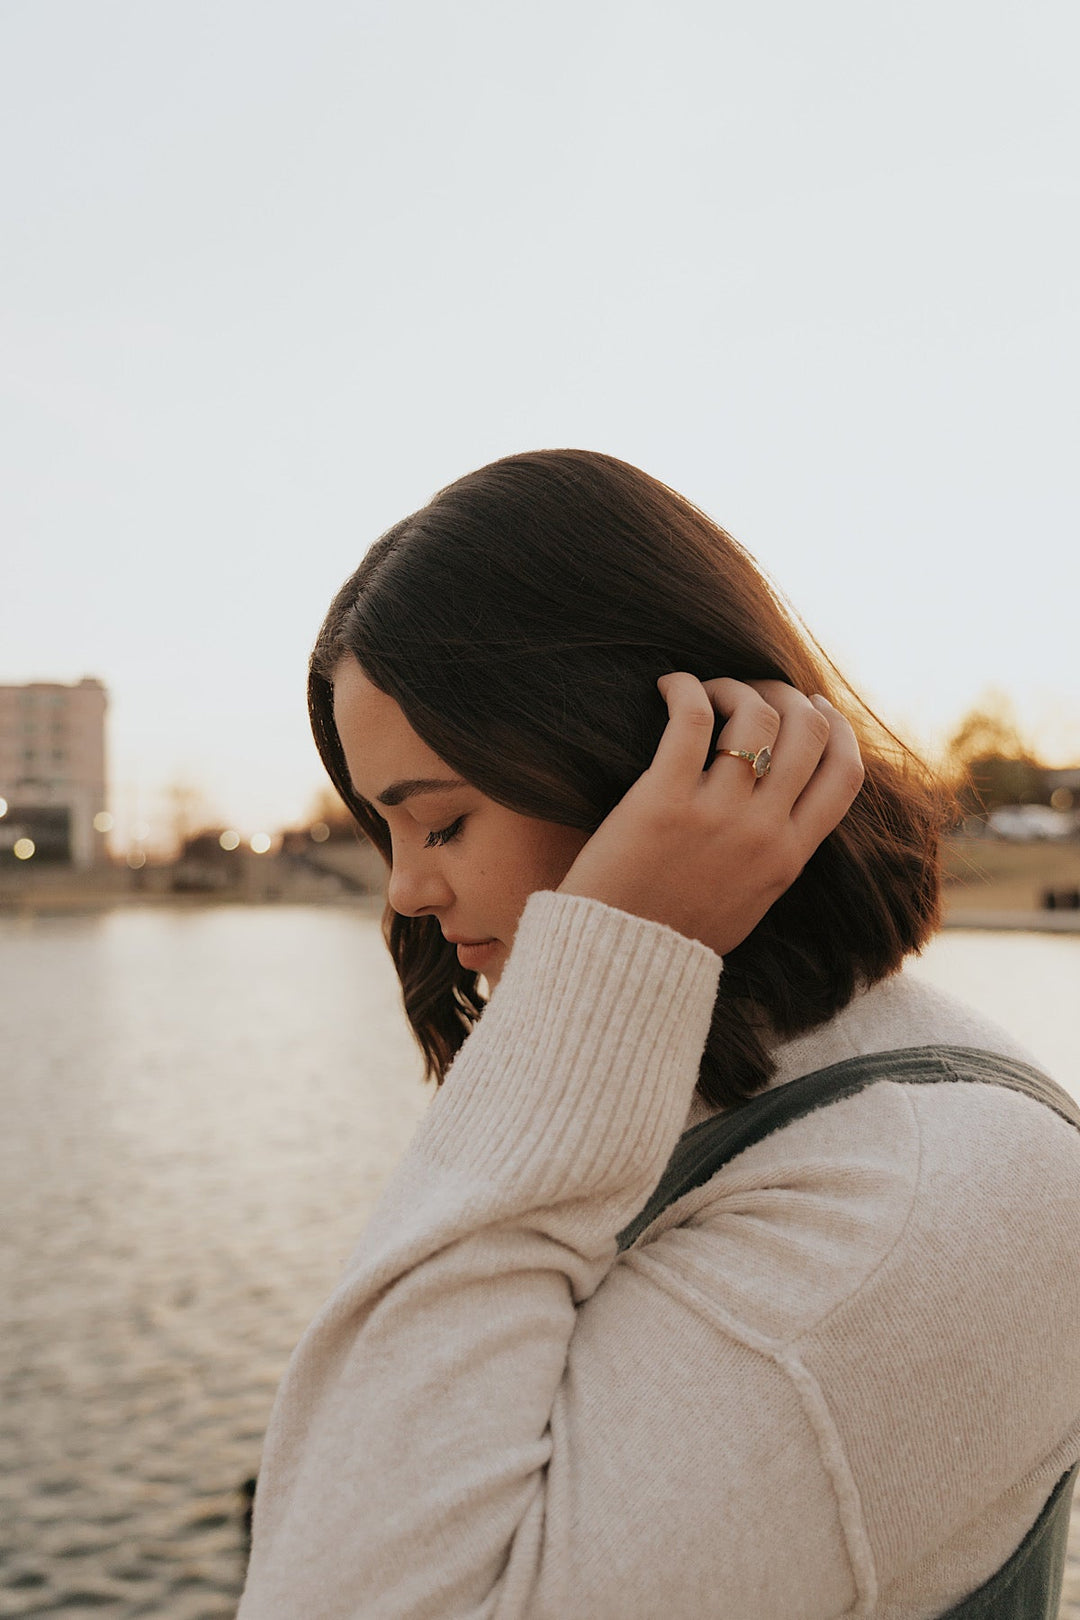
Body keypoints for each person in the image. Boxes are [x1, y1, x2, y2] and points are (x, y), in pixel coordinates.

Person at [237, 450, 1080, 1618]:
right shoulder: (705, 1088)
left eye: (440, 822)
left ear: (635, 758)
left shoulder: (913, 1202)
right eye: (386, 832)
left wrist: (604, 965)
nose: (407, 895)